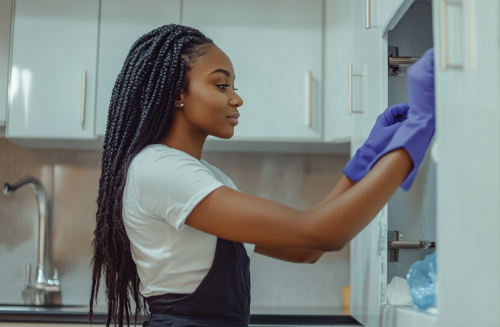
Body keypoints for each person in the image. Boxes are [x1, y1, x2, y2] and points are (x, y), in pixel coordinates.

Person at [88, 24, 435, 327]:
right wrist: (413, 137)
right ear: (179, 92)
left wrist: (366, 159)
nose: (236, 98)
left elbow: (305, 248)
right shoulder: (160, 169)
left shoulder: (205, 176)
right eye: (221, 85)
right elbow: (320, 234)